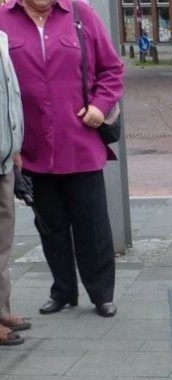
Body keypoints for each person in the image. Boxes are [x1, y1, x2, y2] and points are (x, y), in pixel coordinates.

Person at [0, 0, 123, 318]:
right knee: (50, 226)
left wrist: (100, 105)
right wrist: (10, 142)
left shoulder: (81, 14)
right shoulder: (3, 19)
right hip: (32, 147)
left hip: (80, 141)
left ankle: (101, 293)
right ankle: (63, 290)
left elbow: (112, 70)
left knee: (92, 225)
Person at [0, 27, 27, 346]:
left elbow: (9, 98)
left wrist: (15, 147)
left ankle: (1, 310)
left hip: (5, 159)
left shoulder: (1, 38)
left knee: (2, 244)